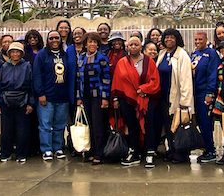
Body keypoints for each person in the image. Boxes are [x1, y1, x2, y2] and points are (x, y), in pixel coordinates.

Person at [112, 35, 161, 167]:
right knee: (131, 126)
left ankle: (150, 152)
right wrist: (116, 98)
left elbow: (155, 80)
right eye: (131, 45)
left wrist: (144, 89)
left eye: (136, 45)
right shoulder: (122, 62)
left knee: (148, 125)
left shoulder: (148, 61)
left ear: (141, 47)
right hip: (127, 99)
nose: (133, 47)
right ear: (127, 46)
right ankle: (134, 152)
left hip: (145, 99)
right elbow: (117, 82)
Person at [32, 30, 74, 161]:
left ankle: (58, 148)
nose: (54, 40)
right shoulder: (42, 55)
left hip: (62, 96)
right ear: (47, 40)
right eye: (51, 38)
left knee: (60, 125)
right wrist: (41, 94)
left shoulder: (65, 55)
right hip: (47, 97)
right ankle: (47, 149)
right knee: (45, 125)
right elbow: (37, 75)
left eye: (57, 38)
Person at [156, 28, 194, 164]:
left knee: (179, 126)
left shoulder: (182, 55)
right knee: (168, 127)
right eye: (166, 37)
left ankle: (181, 154)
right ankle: (172, 151)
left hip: (177, 98)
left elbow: (186, 80)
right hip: (163, 98)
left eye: (172, 37)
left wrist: (184, 101)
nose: (168, 40)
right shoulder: (162, 54)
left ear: (177, 39)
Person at [75, 32, 110, 164]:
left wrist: (105, 98)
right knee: (89, 124)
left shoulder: (102, 58)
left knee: (98, 125)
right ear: (85, 43)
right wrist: (79, 97)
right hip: (86, 96)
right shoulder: (82, 58)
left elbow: (106, 78)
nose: (92, 44)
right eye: (90, 42)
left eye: (95, 42)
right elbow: (79, 79)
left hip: (98, 97)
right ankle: (90, 151)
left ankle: (99, 153)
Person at [0, 42, 34, 163]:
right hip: (6, 101)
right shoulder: (4, 67)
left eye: (18, 52)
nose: (15, 54)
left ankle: (21, 154)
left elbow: (31, 86)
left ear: (21, 53)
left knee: (22, 129)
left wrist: (30, 103)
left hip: (23, 100)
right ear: (9, 53)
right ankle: (5, 153)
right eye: (13, 52)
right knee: (6, 129)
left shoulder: (27, 66)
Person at [191, 31, 219, 163]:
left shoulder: (211, 54)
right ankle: (205, 148)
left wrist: (210, 93)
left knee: (206, 122)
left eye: (200, 39)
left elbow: (212, 74)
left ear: (206, 39)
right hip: (194, 93)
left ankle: (211, 150)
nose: (197, 42)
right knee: (199, 122)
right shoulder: (194, 54)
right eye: (196, 39)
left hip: (205, 93)